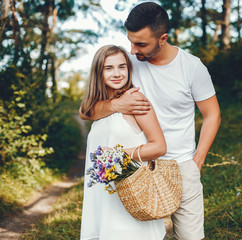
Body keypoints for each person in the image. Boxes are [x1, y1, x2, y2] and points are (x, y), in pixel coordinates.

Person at [80, 2, 221, 239]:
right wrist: (116, 104)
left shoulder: (192, 68)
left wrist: (197, 161)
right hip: (137, 167)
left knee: (190, 236)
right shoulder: (127, 64)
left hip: (180, 164)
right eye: (131, 41)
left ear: (163, 38)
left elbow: (212, 114)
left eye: (141, 44)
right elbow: (88, 111)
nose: (133, 50)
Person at [79, 45, 167, 240]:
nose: (117, 73)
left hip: (131, 191)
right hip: (103, 195)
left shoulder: (135, 99)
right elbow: (84, 111)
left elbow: (159, 146)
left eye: (122, 67)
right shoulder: (100, 106)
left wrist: (117, 155)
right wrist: (115, 105)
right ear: (98, 72)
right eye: (109, 68)